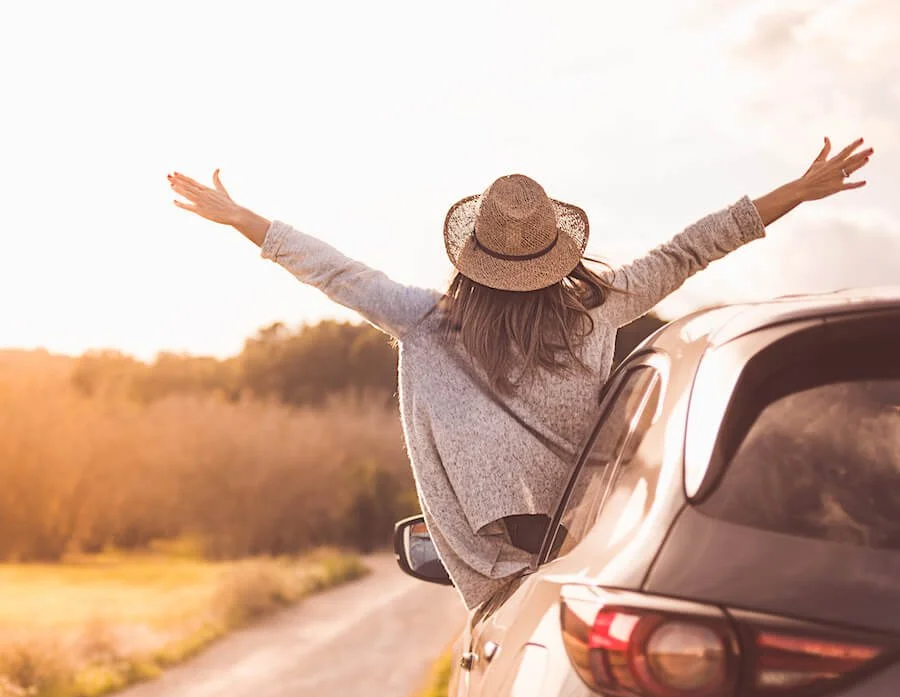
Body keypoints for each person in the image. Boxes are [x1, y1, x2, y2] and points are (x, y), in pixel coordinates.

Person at [168, 136, 873, 611]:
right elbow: (694, 247)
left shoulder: (424, 322)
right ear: (554, 254)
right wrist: (795, 191)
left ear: (473, 254)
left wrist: (243, 220)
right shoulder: (599, 310)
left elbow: (335, 272)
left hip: (508, 587)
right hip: (601, 562)